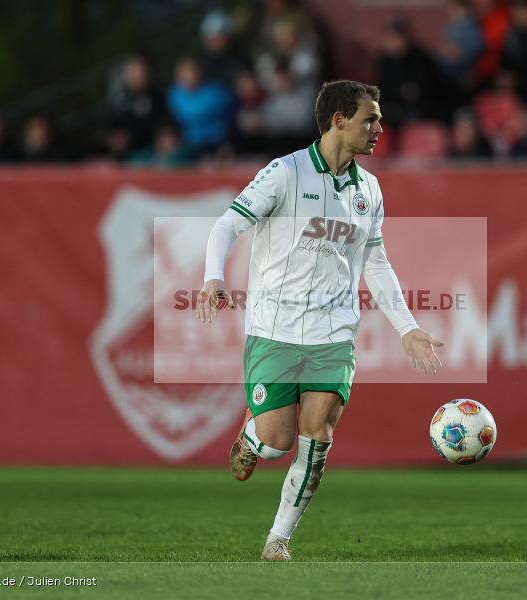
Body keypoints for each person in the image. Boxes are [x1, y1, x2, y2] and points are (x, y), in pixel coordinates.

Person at [196, 80, 443, 561]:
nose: (379, 128)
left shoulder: (369, 189)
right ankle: (253, 435)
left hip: (334, 334)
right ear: (338, 120)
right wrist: (212, 277)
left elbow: (376, 262)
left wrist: (407, 328)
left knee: (319, 434)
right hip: (275, 329)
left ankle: (278, 540)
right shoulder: (285, 173)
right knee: (276, 441)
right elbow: (228, 223)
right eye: (369, 118)